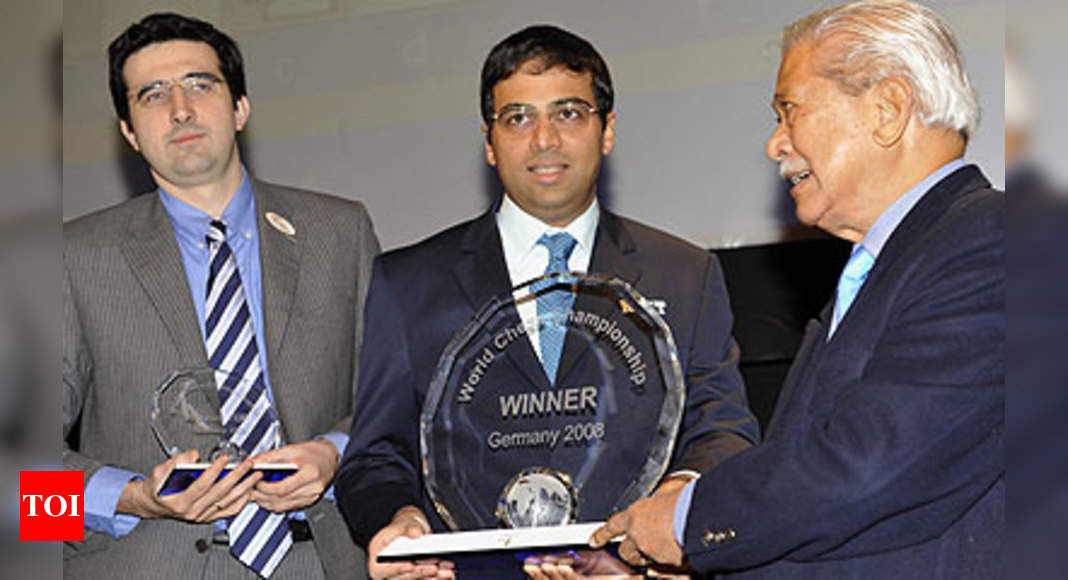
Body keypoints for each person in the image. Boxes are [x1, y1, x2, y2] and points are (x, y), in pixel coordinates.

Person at [591, 1, 1004, 577]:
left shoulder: (991, 242)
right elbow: (828, 514)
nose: (775, 144)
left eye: (789, 112)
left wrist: (686, 523)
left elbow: (866, 465)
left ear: (887, 109)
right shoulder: (898, 261)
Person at [335, 24, 759, 579]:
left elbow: (720, 426)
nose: (544, 140)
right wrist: (401, 517)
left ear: (607, 131)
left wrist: (675, 503)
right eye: (518, 118)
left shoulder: (684, 273)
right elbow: (375, 455)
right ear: (489, 143)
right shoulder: (409, 282)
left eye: (568, 114)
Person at [63, 12, 378, 579]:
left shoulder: (341, 232)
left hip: (319, 559)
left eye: (200, 85)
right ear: (129, 132)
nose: (180, 109)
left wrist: (334, 452)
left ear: (240, 109)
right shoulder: (71, 256)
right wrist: (133, 498)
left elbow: (401, 407)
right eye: (152, 94)